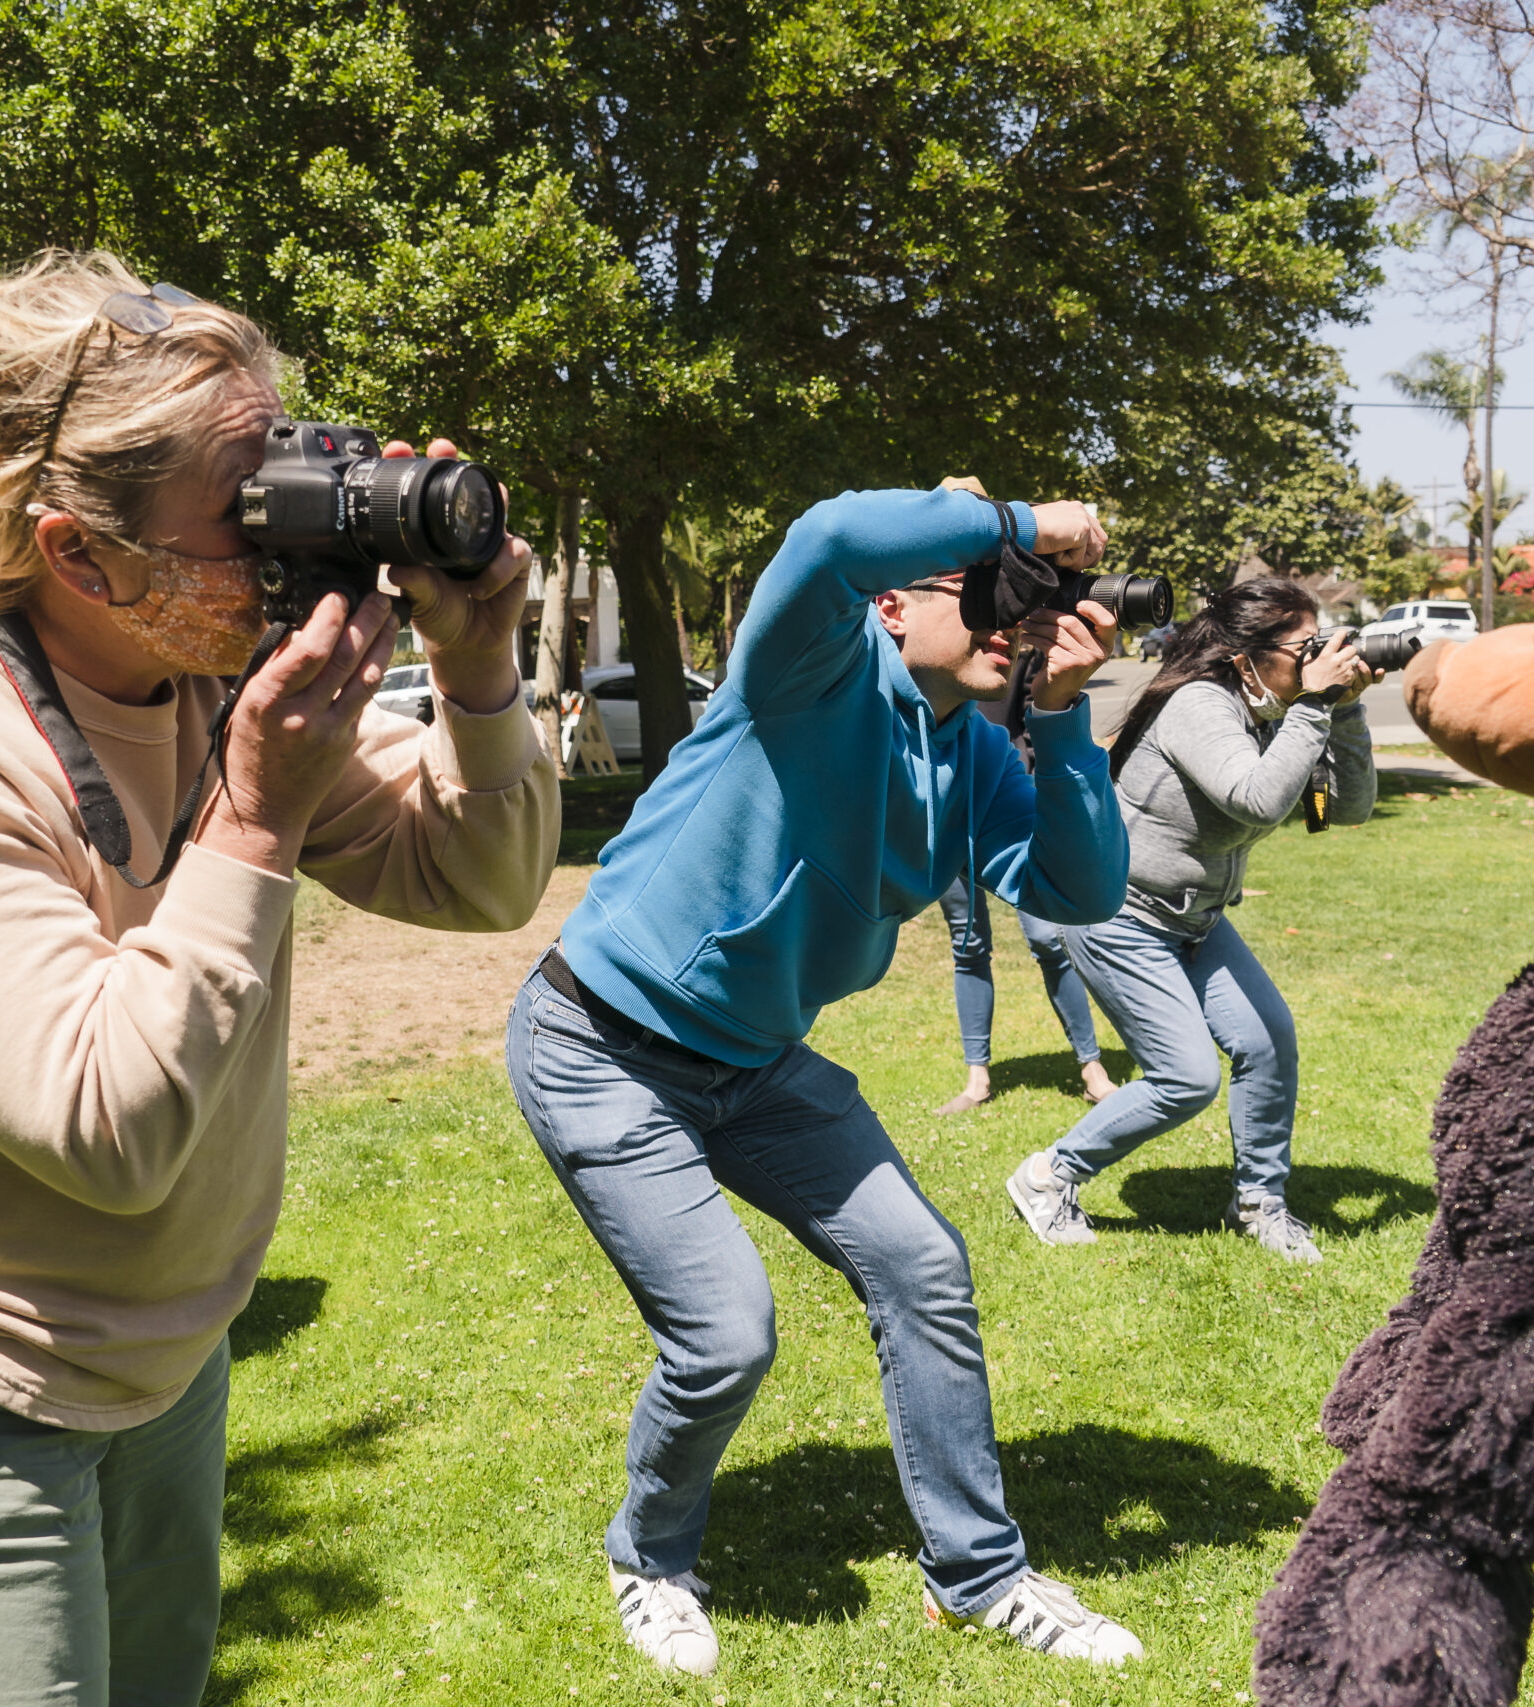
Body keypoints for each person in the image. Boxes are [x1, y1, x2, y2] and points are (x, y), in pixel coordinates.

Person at [0, 253, 558, 1707]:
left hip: (161, 1347)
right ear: (79, 554)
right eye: (247, 504)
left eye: (295, 459)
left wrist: (478, 676)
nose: (298, 521)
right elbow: (103, 1124)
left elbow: (476, 881)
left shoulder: (209, 665)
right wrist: (256, 816)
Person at [505, 484, 1144, 1679]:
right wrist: (1021, 525)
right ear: (893, 609)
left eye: (1026, 602)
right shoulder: (812, 665)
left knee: (923, 1265)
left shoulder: (973, 749)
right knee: (724, 1334)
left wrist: (1059, 717)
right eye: (984, 590)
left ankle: (979, 1575)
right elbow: (833, 538)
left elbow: (1080, 888)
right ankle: (649, 1557)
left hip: (755, 1063)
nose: (1012, 615)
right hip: (604, 1046)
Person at [1005, 579, 1376, 1264]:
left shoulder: (1280, 712)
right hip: (1118, 912)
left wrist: (1345, 708)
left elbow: (1345, 810)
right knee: (1186, 1077)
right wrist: (1315, 704)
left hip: (1195, 920)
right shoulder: (1199, 703)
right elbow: (1255, 799)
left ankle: (1259, 1202)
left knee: (1268, 1041)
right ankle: (1047, 1176)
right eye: (1305, 649)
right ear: (1246, 655)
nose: (1318, 659)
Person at [931, 868, 1116, 1114]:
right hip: (952, 845)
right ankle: (977, 1083)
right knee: (968, 944)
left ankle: (1093, 1071)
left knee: (1047, 939)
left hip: (1012, 841)